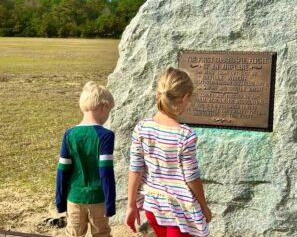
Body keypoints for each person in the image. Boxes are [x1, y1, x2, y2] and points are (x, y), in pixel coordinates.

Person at [125, 67, 211, 237]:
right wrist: (203, 205)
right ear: (185, 98)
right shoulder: (184, 136)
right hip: (179, 212)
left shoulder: (142, 128)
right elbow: (191, 177)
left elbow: (135, 168)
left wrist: (130, 204)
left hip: (153, 206)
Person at [55, 81, 116, 237]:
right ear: (104, 106)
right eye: (109, 110)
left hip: (74, 198)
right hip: (98, 199)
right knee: (102, 234)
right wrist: (110, 202)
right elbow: (106, 172)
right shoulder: (106, 136)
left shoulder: (69, 134)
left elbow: (62, 170)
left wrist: (60, 200)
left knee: (73, 234)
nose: (108, 115)